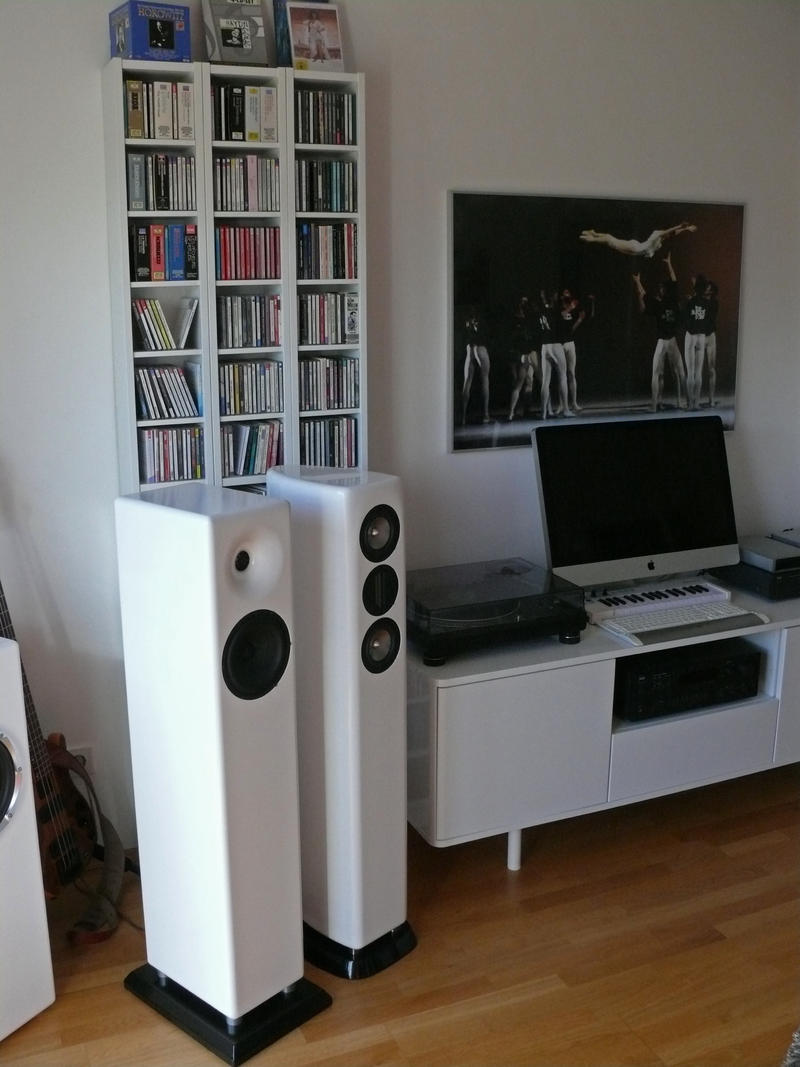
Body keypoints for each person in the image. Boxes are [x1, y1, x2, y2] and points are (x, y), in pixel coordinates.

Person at [632, 253, 687, 412]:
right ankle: (655, 404)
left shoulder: (671, 300)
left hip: (671, 340)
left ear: (666, 290)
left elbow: (674, 280)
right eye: (660, 288)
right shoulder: (657, 304)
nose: (661, 290)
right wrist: (637, 282)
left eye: (663, 288)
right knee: (657, 372)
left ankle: (681, 401)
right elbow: (644, 295)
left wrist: (669, 263)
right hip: (662, 341)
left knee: (679, 372)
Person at [554, 287, 594, 412]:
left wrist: (580, 320)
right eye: (565, 293)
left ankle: (574, 403)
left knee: (571, 373)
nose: (567, 295)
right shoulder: (557, 308)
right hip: (559, 344)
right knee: (561, 375)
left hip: (570, 343)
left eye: (568, 293)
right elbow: (560, 317)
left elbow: (571, 328)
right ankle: (561, 404)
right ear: (561, 296)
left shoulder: (573, 308)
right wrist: (570, 308)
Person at [534, 293, 571, 419]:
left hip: (545, 347)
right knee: (563, 377)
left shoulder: (541, 312)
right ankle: (566, 410)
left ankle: (544, 412)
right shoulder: (555, 311)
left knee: (545, 381)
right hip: (555, 345)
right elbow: (563, 323)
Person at [579, 221, 696, 258]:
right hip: (635, 249)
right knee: (610, 239)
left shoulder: (659, 242)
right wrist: (681, 226)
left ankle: (593, 237)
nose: (668, 236)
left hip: (635, 249)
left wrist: (685, 229)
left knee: (610, 240)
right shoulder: (657, 234)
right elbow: (669, 232)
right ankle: (593, 235)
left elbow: (672, 234)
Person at [507, 295, 538, 420]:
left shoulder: (526, 319)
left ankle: (524, 410)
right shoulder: (515, 321)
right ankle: (512, 412)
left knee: (528, 382)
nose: (524, 306)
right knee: (519, 383)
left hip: (526, 353)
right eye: (522, 303)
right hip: (521, 355)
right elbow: (513, 340)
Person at [683, 273, 710, 410]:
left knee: (690, 372)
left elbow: (685, 320)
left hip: (691, 336)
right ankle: (697, 403)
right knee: (698, 372)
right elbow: (709, 321)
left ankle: (690, 405)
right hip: (701, 336)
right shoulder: (707, 303)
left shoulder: (689, 301)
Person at [460, 310, 491, 425]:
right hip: (481, 348)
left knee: (467, 382)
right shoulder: (481, 318)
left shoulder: (467, 320)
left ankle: (463, 417)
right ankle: (486, 414)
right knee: (485, 380)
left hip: (470, 348)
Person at [703, 280, 719, 406]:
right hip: (699, 336)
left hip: (710, 337)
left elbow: (709, 315)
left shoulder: (714, 303)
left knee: (711, 369)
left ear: (712, 291)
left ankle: (711, 399)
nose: (706, 289)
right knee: (695, 369)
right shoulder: (699, 301)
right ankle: (693, 400)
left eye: (708, 287)